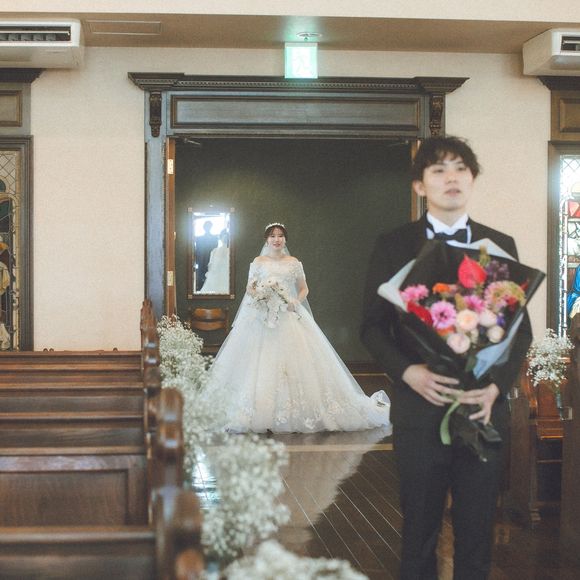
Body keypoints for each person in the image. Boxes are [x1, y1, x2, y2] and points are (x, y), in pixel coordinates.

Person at [360, 136, 533, 580]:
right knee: (418, 534)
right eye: (438, 170)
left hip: (481, 410)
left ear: (472, 179)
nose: (451, 178)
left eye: (460, 168)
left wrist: (495, 387)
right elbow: (372, 327)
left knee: (477, 536)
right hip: (421, 409)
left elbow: (520, 331)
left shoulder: (498, 244)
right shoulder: (394, 244)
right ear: (420, 185)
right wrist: (408, 372)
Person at [206, 222, 391, 433]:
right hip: (263, 317)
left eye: (280, 236)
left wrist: (295, 300)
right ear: (266, 240)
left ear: (285, 239)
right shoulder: (258, 262)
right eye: (272, 236)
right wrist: (261, 295)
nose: (276, 239)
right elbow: (250, 287)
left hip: (289, 315)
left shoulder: (294, 262)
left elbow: (304, 288)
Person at [199, 229, 230, 294]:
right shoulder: (214, 251)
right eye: (224, 236)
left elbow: (210, 265)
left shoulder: (230, 251)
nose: (225, 238)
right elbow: (210, 265)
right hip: (216, 277)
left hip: (225, 277)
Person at [195, 220, 219, 290]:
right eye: (206, 226)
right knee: (200, 280)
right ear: (204, 227)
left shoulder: (214, 238)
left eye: (208, 226)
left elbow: (215, 250)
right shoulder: (199, 239)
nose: (207, 228)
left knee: (210, 279)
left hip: (211, 261)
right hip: (201, 261)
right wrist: (196, 262)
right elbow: (197, 251)